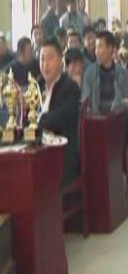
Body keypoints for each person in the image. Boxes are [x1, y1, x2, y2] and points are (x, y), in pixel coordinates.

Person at [38, 38, 80, 185]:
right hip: (37, 152)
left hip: (62, 157)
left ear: (61, 61)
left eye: (50, 58)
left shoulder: (70, 87)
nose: (45, 64)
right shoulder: (36, 85)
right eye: (42, 59)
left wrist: (37, 121)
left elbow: (58, 119)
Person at [81, 31, 128, 118]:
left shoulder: (121, 72)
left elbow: (126, 99)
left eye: (100, 47)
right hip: (96, 117)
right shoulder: (89, 73)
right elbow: (86, 101)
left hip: (117, 116)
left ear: (110, 48)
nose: (97, 52)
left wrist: (120, 104)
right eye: (96, 48)